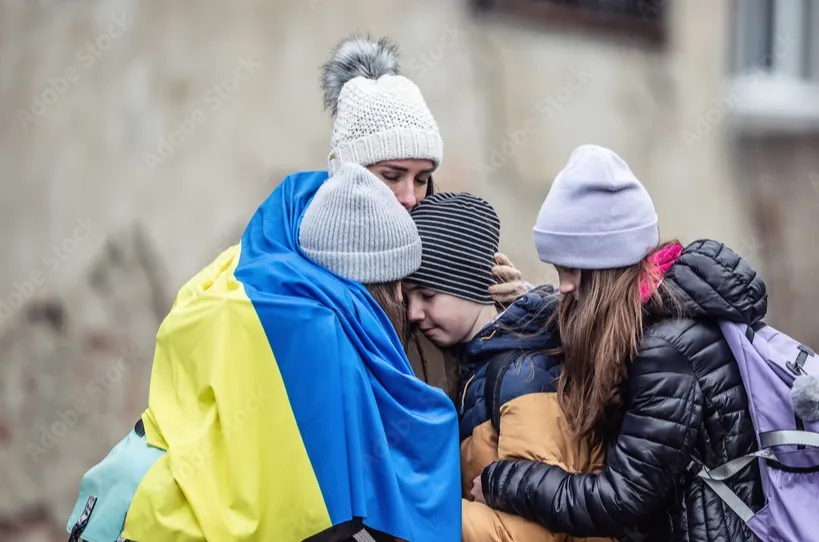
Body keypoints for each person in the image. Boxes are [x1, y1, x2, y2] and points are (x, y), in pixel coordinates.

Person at [66, 163, 461, 542]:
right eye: (407, 289)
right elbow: (325, 513)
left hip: (130, 498)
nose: (410, 310)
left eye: (422, 179)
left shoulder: (236, 287)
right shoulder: (330, 348)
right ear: (382, 284)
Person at [472, 144, 766, 541]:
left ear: (607, 267)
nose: (564, 285)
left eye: (572, 269)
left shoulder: (666, 350)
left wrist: (503, 481)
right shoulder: (661, 311)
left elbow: (619, 501)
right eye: (557, 269)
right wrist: (525, 299)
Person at [318, 34, 527, 397]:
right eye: (391, 176)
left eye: (423, 179)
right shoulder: (310, 272)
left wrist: (515, 316)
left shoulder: (439, 242)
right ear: (347, 172)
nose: (410, 197)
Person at [403, 192, 615, 542]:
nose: (414, 313)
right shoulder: (484, 363)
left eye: (427, 296)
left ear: (471, 285)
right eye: (408, 298)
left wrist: (412, 511)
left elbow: (530, 535)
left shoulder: (524, 374)